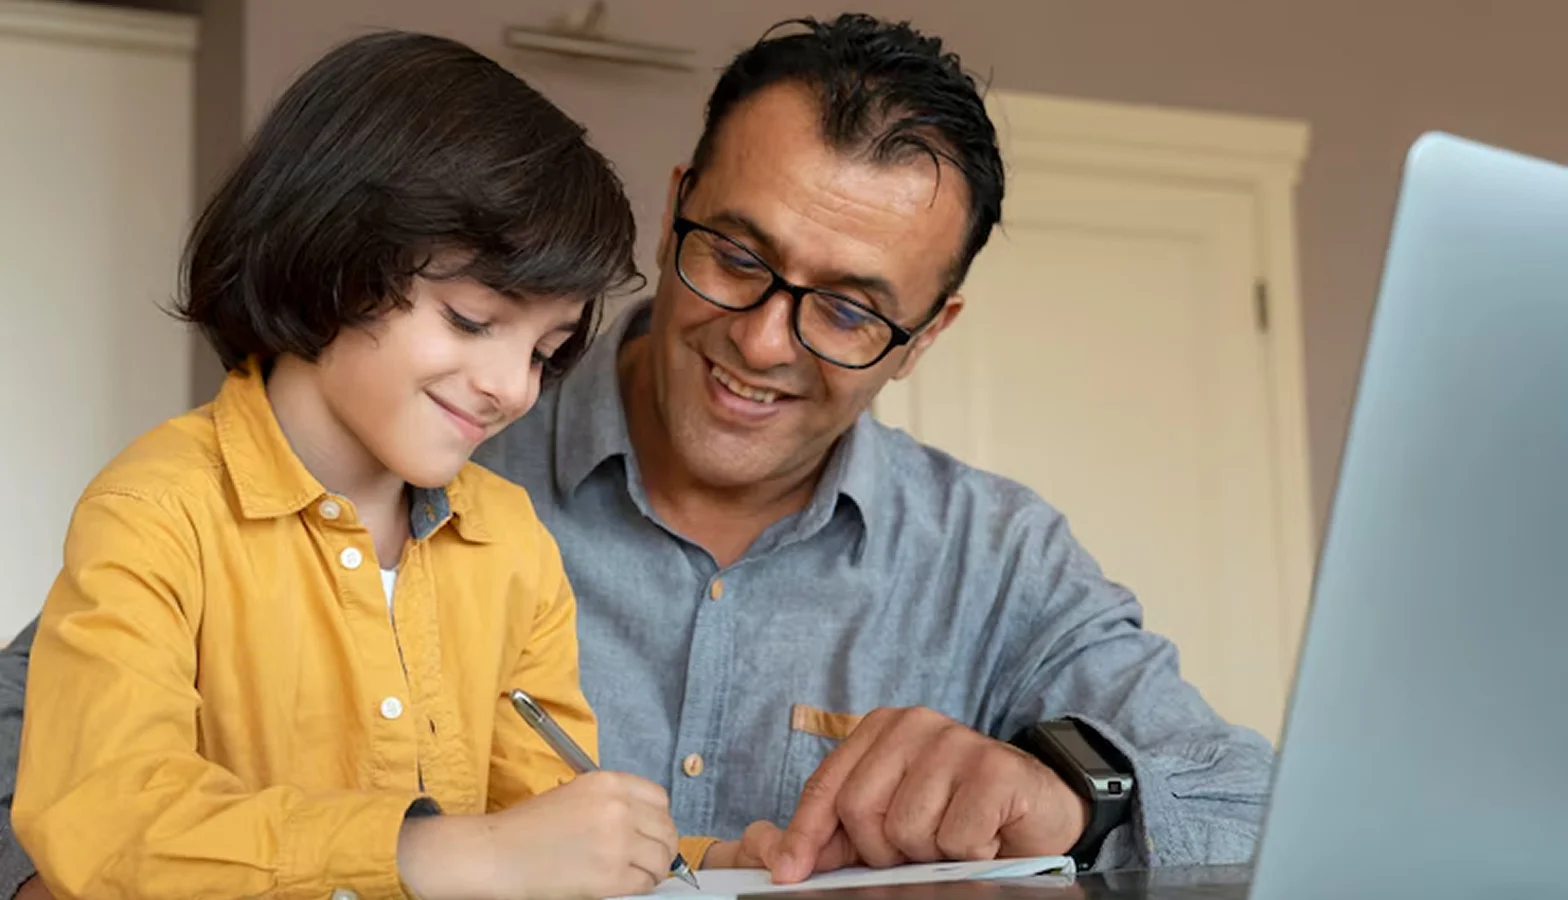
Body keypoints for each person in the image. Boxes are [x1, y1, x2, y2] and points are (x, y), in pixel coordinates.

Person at [0, 13, 1276, 898]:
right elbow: (47, 768)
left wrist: (1077, 805)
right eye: (734, 256)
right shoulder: (323, 486)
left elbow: (1275, 806)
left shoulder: (996, 561)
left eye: (845, 308)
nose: (762, 342)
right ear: (676, 208)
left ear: (925, 334)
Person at [5, 30, 693, 900]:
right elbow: (104, 825)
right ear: (331, 255)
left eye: (547, 352)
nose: (512, 388)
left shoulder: (511, 543)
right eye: (474, 322)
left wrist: (705, 863)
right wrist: (443, 856)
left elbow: (548, 831)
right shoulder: (155, 511)